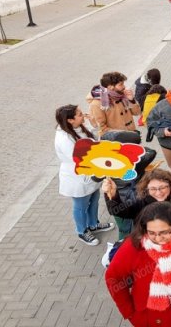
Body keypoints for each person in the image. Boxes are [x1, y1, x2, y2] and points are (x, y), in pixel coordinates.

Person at [54, 105, 114, 246]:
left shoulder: (78, 127)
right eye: (79, 114)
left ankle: (93, 224)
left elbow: (93, 141)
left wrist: (93, 124)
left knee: (94, 199)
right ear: (70, 120)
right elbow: (79, 157)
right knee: (80, 205)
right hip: (78, 175)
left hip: (91, 172)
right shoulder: (64, 138)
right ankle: (82, 231)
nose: (83, 115)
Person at [100, 130, 158, 240]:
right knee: (131, 230)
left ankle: (122, 244)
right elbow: (151, 152)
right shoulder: (135, 162)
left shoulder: (104, 162)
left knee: (123, 228)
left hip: (115, 199)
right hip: (130, 201)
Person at [102, 168, 171, 223]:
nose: (159, 193)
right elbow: (119, 212)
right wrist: (113, 195)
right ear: (146, 189)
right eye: (153, 189)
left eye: (163, 187)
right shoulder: (140, 201)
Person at [86, 72, 141, 136]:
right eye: (121, 84)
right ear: (110, 87)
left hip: (131, 134)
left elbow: (137, 113)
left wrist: (131, 100)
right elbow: (101, 127)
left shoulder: (122, 96)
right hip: (116, 140)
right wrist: (124, 135)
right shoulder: (97, 104)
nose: (124, 87)